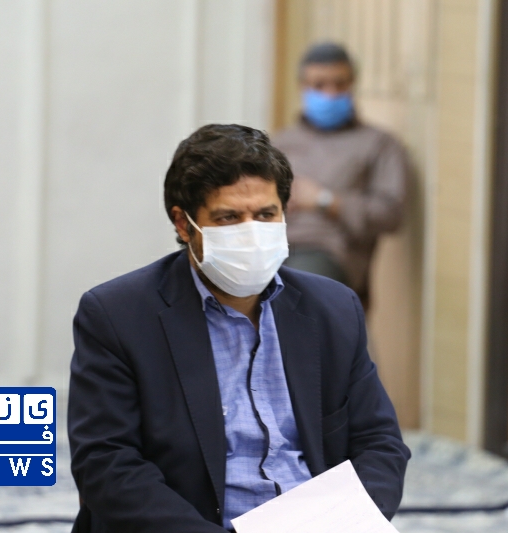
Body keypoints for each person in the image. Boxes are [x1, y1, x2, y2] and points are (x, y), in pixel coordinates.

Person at [67, 124, 410, 532]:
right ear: (183, 224)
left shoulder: (333, 309)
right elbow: (107, 465)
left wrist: (342, 523)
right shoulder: (117, 316)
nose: (251, 233)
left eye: (265, 215)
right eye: (229, 218)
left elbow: (379, 444)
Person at [273, 42, 413, 309]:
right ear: (302, 87)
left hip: (329, 252)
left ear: (352, 85)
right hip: (271, 247)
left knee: (297, 289)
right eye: (320, 85)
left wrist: (326, 201)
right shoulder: (281, 143)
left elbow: (391, 214)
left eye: (339, 84)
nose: (330, 94)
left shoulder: (378, 144)